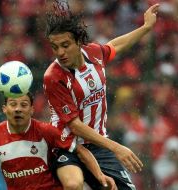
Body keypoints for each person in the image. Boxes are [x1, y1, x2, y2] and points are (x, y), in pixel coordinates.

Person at [43, 1, 160, 189]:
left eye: (65, 45)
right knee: (73, 185)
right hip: (67, 146)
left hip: (98, 146)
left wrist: (146, 27)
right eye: (55, 47)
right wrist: (116, 147)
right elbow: (74, 125)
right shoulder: (53, 77)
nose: (60, 53)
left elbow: (115, 46)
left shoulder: (94, 53)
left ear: (79, 42)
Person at [0, 92, 117, 190]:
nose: (18, 109)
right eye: (13, 104)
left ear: (32, 109)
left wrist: (99, 174)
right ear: (4, 109)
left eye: (23, 105)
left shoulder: (46, 131)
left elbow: (79, 150)